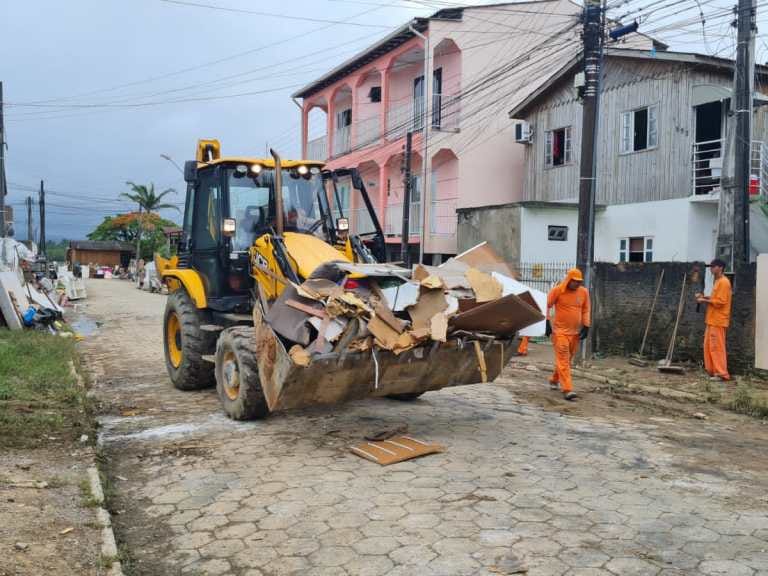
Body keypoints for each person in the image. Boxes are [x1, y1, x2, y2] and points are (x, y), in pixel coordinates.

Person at [546, 268, 591, 401]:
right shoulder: (557, 290)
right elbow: (546, 305)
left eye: (579, 281)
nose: (577, 284)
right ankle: (567, 389)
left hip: (575, 333)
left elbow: (586, 309)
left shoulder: (584, 292)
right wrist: (547, 322)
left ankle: (554, 379)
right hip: (559, 332)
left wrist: (587, 325)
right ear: (568, 280)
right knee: (564, 359)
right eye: (574, 281)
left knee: (565, 360)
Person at [696, 259, 732, 381]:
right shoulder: (717, 282)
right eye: (710, 266)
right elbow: (715, 298)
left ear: (720, 268)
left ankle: (722, 374)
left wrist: (704, 301)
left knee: (717, 347)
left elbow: (721, 302)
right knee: (708, 346)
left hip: (718, 320)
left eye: (713, 266)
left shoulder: (724, 282)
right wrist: (705, 297)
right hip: (712, 320)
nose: (711, 269)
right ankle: (712, 371)